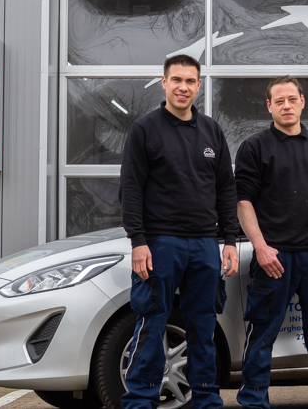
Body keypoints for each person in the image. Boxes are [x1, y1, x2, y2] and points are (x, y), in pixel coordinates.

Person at [120, 54, 240, 409]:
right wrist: (138, 241)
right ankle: (140, 401)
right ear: (164, 82)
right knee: (152, 323)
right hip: (160, 243)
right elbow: (131, 188)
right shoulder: (144, 129)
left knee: (204, 326)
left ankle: (206, 399)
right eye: (176, 80)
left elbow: (226, 189)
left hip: (204, 244)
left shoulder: (211, 131)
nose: (183, 87)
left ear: (198, 85)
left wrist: (229, 241)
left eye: (190, 81)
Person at [234, 76, 308, 409]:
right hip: (275, 257)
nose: (286, 106)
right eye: (279, 101)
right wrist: (260, 247)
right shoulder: (254, 147)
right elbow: (243, 202)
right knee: (263, 334)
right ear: (269, 106)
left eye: (291, 99)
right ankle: (253, 402)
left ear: (302, 101)